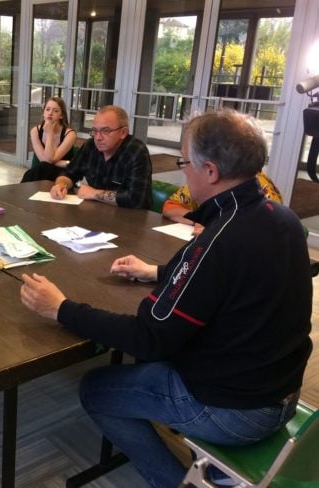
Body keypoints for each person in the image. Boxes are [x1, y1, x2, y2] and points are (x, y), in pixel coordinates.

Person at [20, 110, 312, 487]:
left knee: (96, 388)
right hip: (284, 393)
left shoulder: (217, 240)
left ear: (210, 171)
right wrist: (158, 272)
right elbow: (235, 282)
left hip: (236, 411)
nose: (183, 172)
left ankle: (173, 482)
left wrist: (60, 308)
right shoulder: (281, 218)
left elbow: (149, 338)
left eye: (185, 163)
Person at [49, 105, 152, 209]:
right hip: (96, 211)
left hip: (129, 216)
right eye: (95, 131)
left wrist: (94, 193)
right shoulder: (90, 146)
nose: (98, 138)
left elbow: (136, 199)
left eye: (105, 131)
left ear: (123, 132)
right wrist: (61, 185)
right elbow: (69, 173)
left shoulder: (136, 151)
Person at [163, 169, 283, 225]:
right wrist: (199, 221)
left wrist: (214, 225)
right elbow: (170, 207)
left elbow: (263, 230)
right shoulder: (209, 175)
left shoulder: (263, 191)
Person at [21, 96, 77, 182]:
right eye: (47, 109)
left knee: (39, 170)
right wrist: (65, 163)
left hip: (63, 174)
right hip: (43, 170)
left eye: (55, 111)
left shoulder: (70, 134)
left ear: (62, 115)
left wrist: (50, 133)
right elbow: (45, 161)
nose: (50, 113)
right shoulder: (35, 131)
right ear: (43, 112)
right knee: (40, 169)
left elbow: (49, 160)